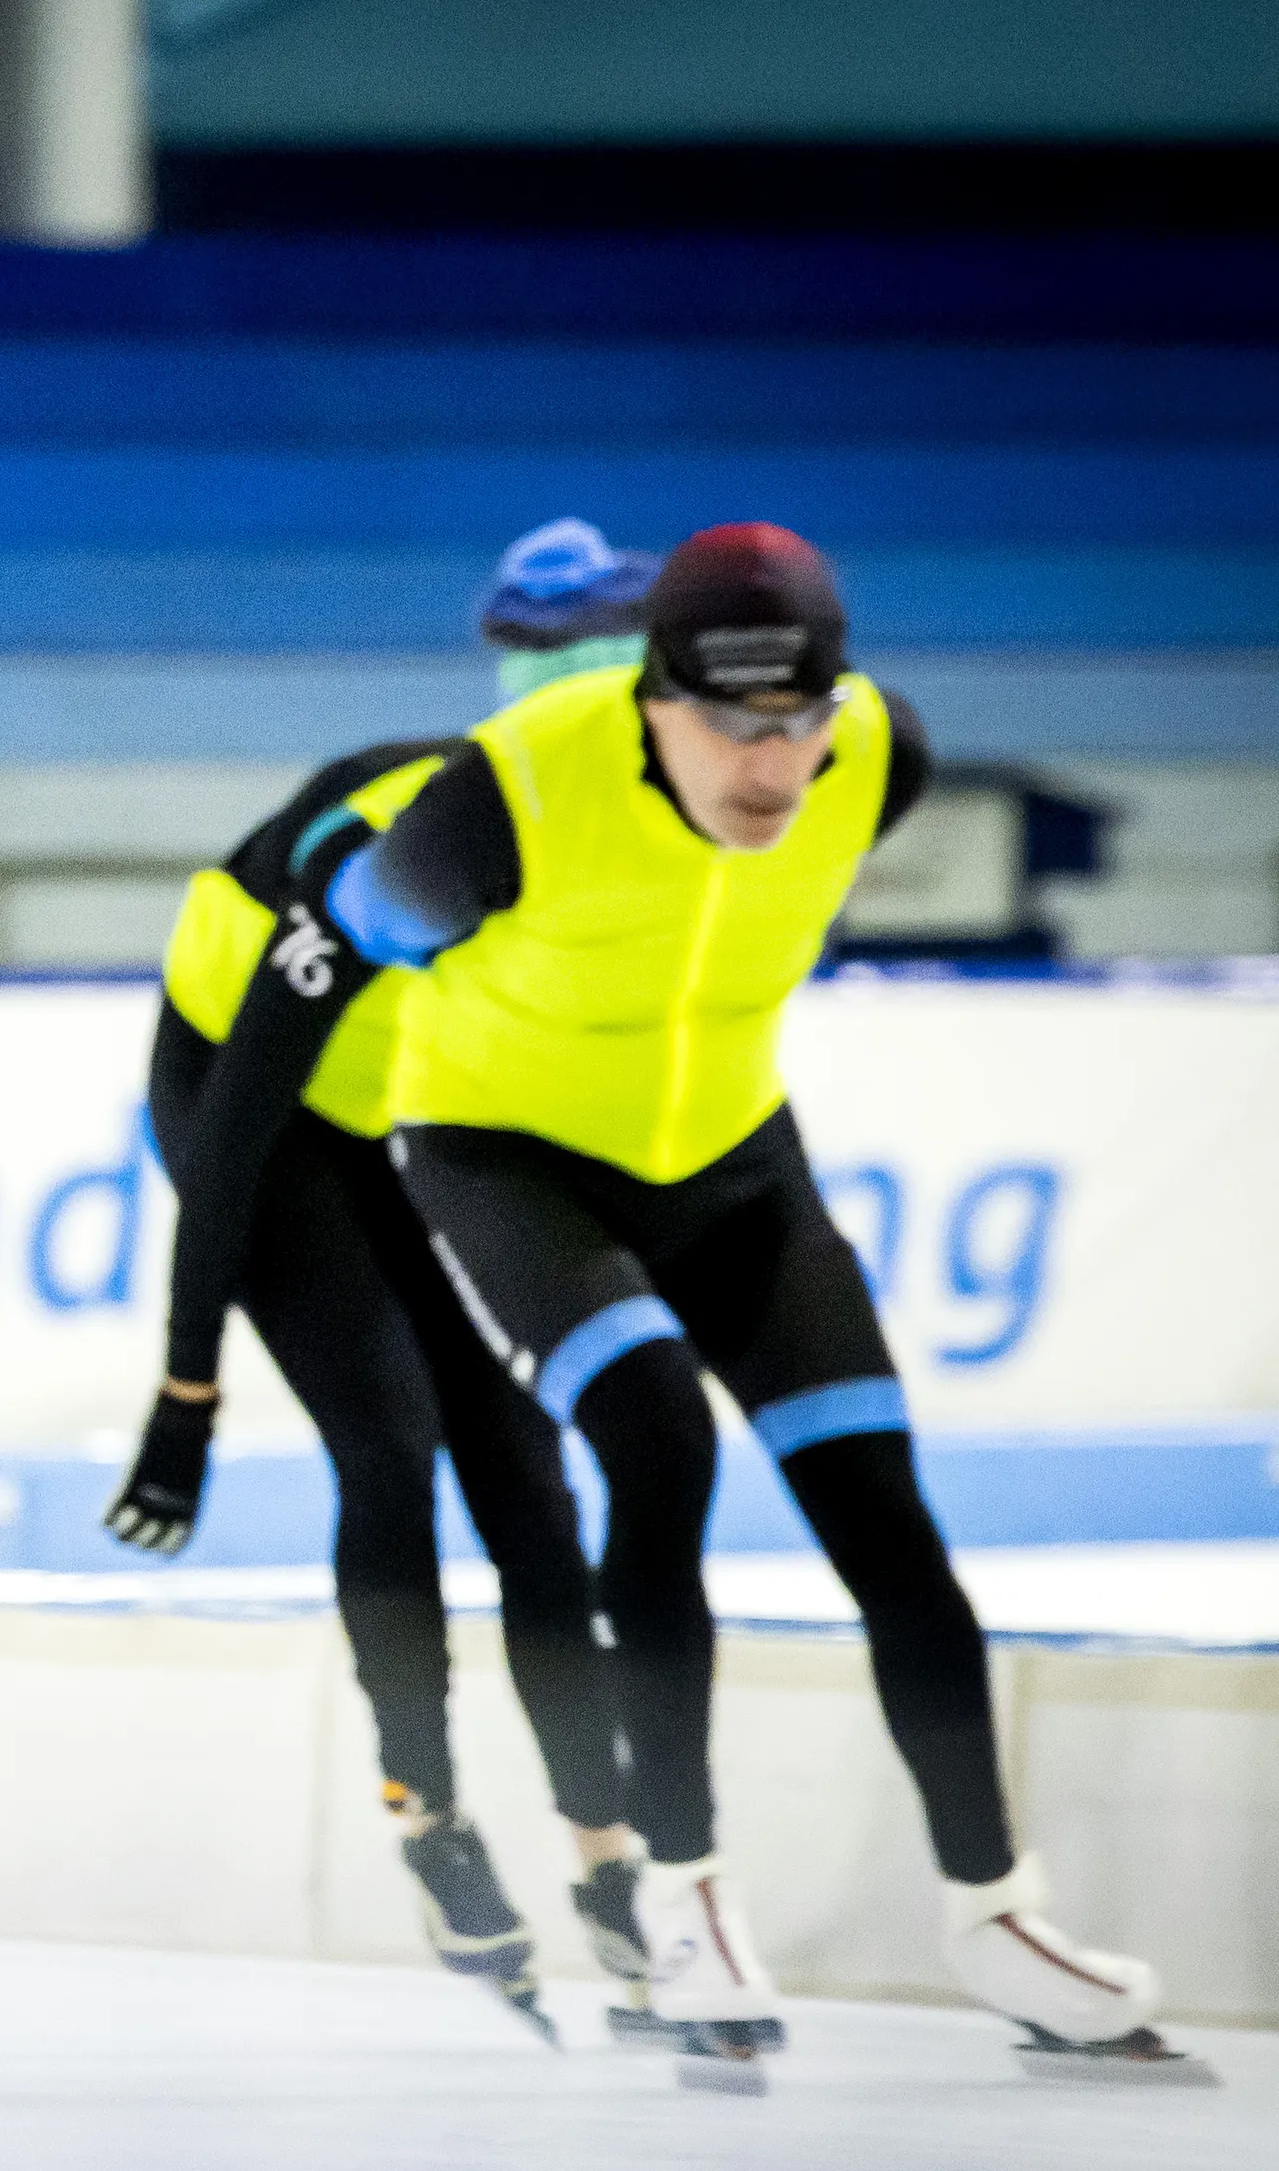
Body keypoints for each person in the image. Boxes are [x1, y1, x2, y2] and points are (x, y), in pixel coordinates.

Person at [324, 522, 1192, 2084]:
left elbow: (821, 781)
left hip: (730, 1161)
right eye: (731, 722)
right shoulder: (508, 795)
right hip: (505, 1157)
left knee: (884, 1511)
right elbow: (371, 920)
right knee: (658, 1441)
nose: (771, 764)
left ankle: (997, 1912)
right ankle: (682, 1893)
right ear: (651, 699)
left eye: (798, 718)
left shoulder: (881, 754)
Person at [103, 522, 659, 2047]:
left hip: (409, 1111)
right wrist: (184, 1394)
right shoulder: (389, 847)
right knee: (390, 1440)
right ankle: (431, 1814)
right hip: (254, 1109)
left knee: (529, 1479)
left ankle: (607, 1855)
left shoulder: (625, 848)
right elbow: (228, 1150)